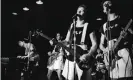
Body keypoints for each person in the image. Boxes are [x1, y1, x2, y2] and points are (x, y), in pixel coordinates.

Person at [62, 4, 97, 80]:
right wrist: (58, 42)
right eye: (78, 11)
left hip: (83, 57)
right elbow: (66, 40)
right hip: (71, 54)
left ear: (85, 14)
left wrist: (89, 54)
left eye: (82, 11)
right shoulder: (72, 26)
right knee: (69, 78)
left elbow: (94, 44)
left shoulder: (88, 26)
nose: (79, 12)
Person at [99, 1, 133, 80]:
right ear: (104, 10)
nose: (107, 4)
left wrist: (127, 36)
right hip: (111, 57)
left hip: (123, 52)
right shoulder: (104, 26)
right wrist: (105, 49)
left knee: (126, 76)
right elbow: (101, 44)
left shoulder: (123, 20)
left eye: (109, 3)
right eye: (105, 4)